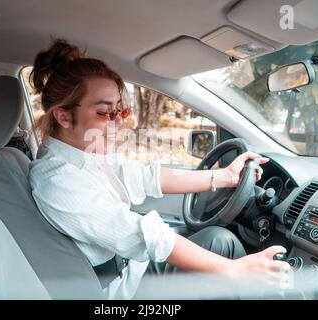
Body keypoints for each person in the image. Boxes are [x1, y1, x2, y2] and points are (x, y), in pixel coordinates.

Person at [28, 39, 290, 299]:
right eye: (105, 113)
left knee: (220, 240)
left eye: (121, 111)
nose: (118, 122)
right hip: (122, 294)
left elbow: (148, 177)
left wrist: (225, 176)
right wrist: (233, 270)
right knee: (226, 251)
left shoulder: (87, 156)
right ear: (63, 116)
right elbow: (142, 235)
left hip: (134, 271)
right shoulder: (58, 179)